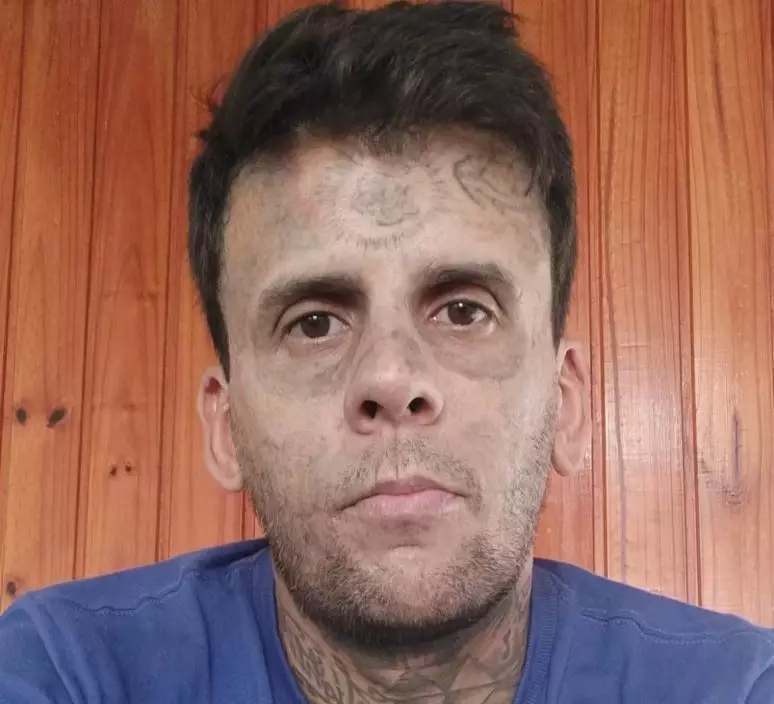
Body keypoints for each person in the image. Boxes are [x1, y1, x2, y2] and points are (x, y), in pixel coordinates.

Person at [1, 1, 772, 702]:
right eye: (313, 323)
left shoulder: (734, 688)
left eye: (464, 310)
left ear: (566, 404)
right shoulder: (68, 672)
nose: (392, 378)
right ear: (225, 426)